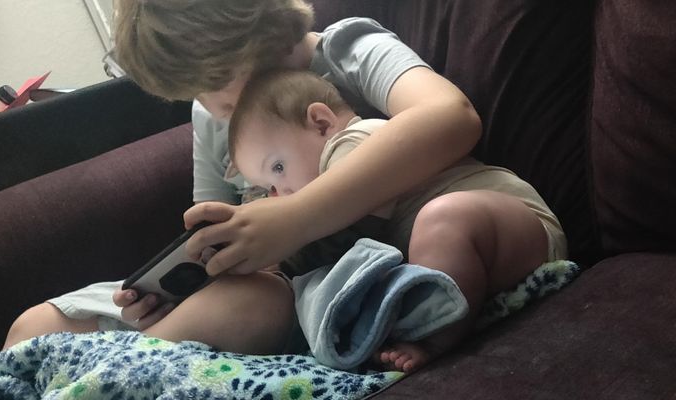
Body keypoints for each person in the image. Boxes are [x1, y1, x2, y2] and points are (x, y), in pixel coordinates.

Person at [3, 0, 485, 371]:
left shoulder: (346, 50)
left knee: (243, 306)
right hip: (243, 285)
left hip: (303, 289)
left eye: (216, 84)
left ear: (264, 33)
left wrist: (296, 218)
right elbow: (214, 231)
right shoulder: (210, 114)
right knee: (36, 325)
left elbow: (451, 116)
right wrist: (182, 283)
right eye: (193, 91)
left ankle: (110, 379)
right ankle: (122, 361)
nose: (212, 108)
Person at [224, 68, 568, 371]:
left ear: (321, 123)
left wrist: (281, 254)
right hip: (485, 262)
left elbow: (346, 237)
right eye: (269, 188)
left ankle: (435, 339)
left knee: (443, 219)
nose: (281, 193)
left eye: (279, 168)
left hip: (520, 228)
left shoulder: (353, 143)